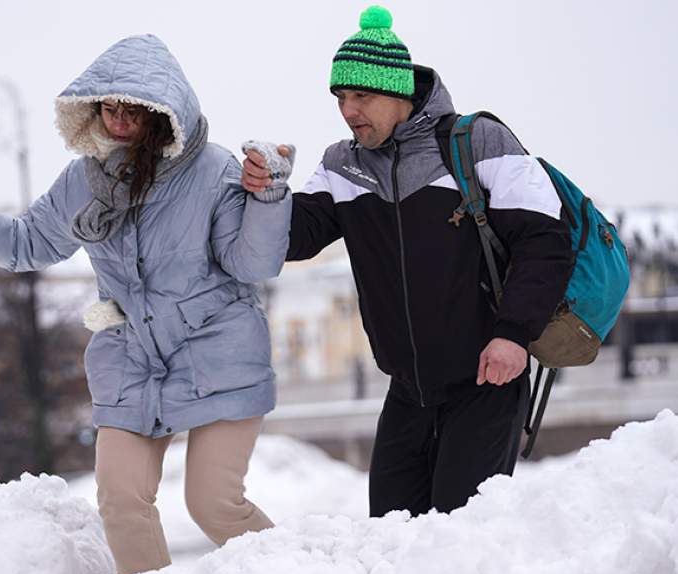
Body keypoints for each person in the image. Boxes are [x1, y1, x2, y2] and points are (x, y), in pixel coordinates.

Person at [0, 35, 293, 574]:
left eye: (134, 110)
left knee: (212, 502)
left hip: (217, 353)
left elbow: (252, 264)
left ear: (164, 113)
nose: (120, 121)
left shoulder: (214, 173)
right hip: (131, 359)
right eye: (109, 108)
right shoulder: (85, 179)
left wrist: (267, 196)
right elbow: (28, 242)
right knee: (122, 502)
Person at [242, 6, 573, 516]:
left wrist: (513, 333)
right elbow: (293, 239)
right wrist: (269, 190)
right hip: (406, 391)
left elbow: (545, 241)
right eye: (341, 98)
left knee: (457, 541)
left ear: (399, 92)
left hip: (486, 381)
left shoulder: (475, 142)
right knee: (390, 539)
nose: (349, 111)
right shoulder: (342, 165)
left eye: (362, 96)